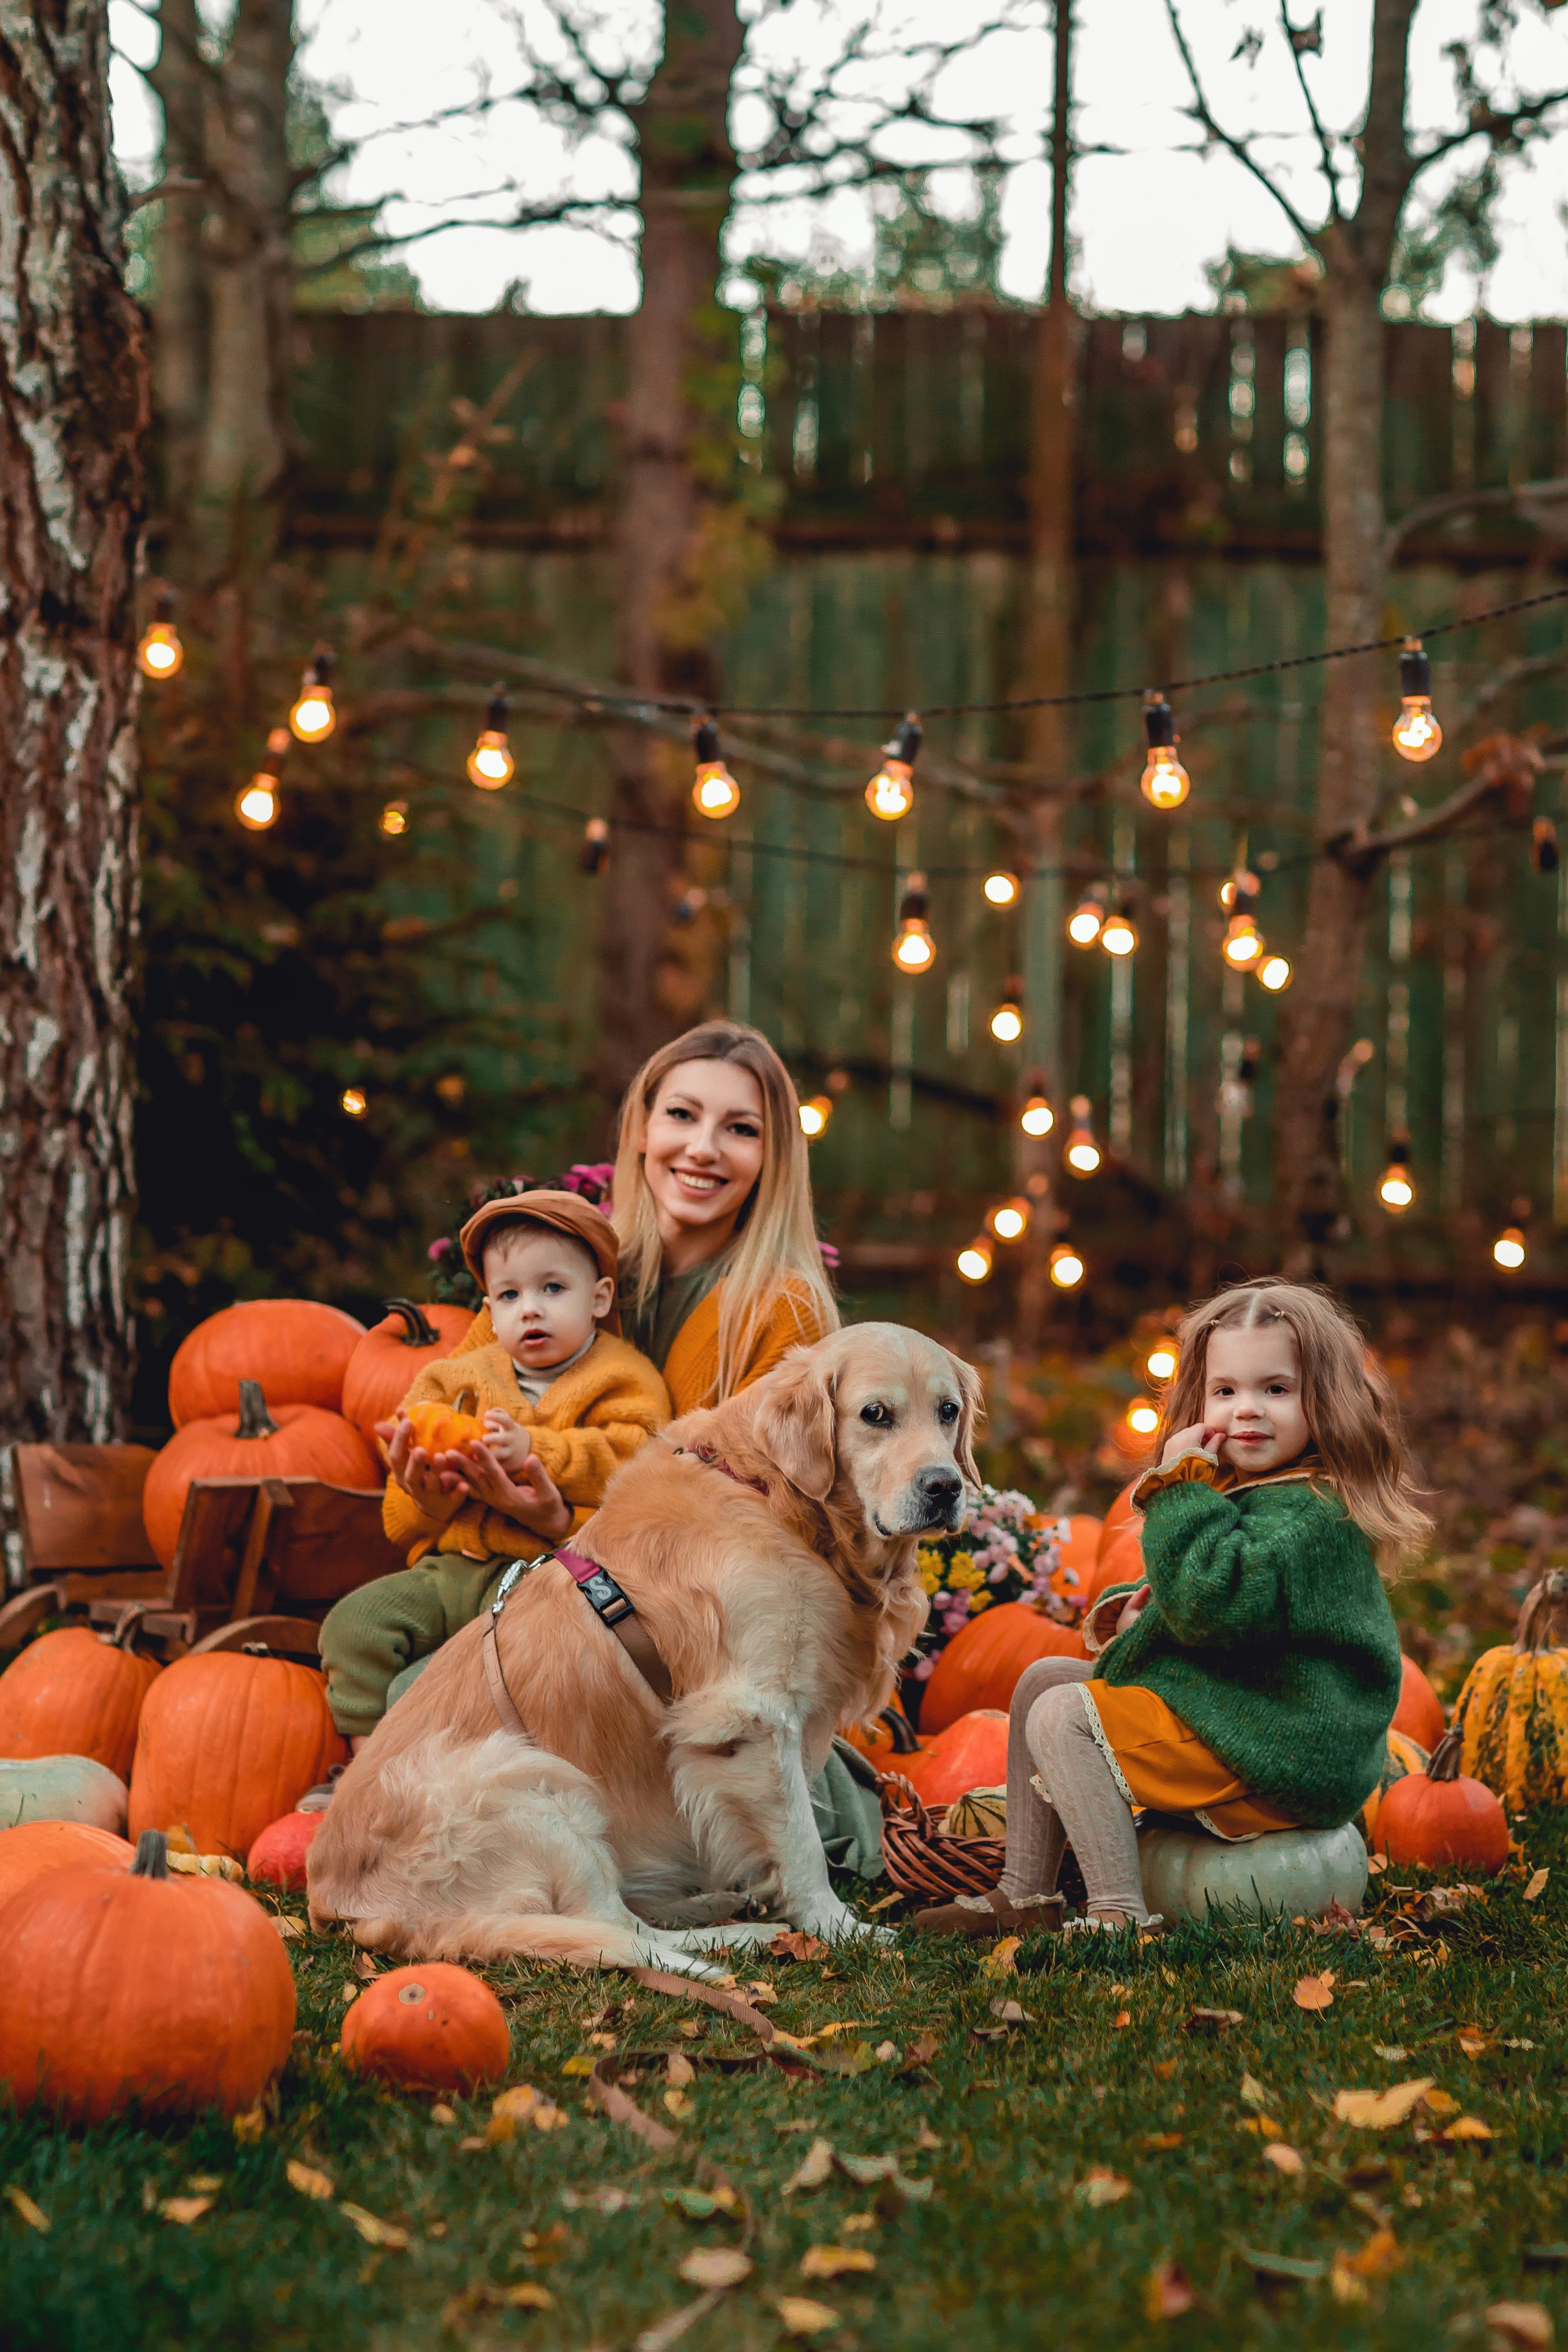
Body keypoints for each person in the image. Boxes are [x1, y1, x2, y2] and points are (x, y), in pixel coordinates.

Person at [915, 1276, 1428, 1938]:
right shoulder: (1259, 1492)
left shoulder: (1311, 1514)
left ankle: (1118, 1918)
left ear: (1323, 1400)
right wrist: (1124, 1616)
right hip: (1243, 1709)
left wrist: (1181, 1489)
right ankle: (1025, 1892)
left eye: (1275, 1389)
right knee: (1041, 1680)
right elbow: (1202, 1610)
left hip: (1282, 1750)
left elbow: (1208, 1608)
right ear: (1201, 1399)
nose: (1247, 1410)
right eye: (1226, 1391)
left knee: (1066, 1715)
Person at [316, 1190, 670, 1747]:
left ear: (599, 1298)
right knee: (354, 1625)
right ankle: (363, 1767)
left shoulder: (624, 1378)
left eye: (552, 1288)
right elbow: (399, 1516)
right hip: (451, 1568)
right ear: (488, 1309)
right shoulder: (455, 1378)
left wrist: (536, 1449)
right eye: (509, 1294)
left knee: (432, 1687)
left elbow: (633, 1458)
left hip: (541, 1581)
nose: (530, 1307)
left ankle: (430, 1779)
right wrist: (426, 1493)